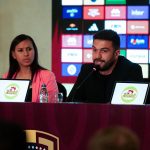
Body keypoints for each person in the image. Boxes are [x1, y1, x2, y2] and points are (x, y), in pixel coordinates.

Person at [67, 29, 143, 103]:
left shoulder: (131, 70)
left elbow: (133, 108)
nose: (97, 56)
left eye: (104, 51)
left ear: (116, 54)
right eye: (94, 50)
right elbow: (71, 101)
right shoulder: (87, 70)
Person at [3, 34, 58, 102]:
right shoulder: (7, 77)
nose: (26, 54)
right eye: (20, 50)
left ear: (34, 51)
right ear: (14, 55)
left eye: (29, 49)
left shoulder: (47, 76)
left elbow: (52, 105)